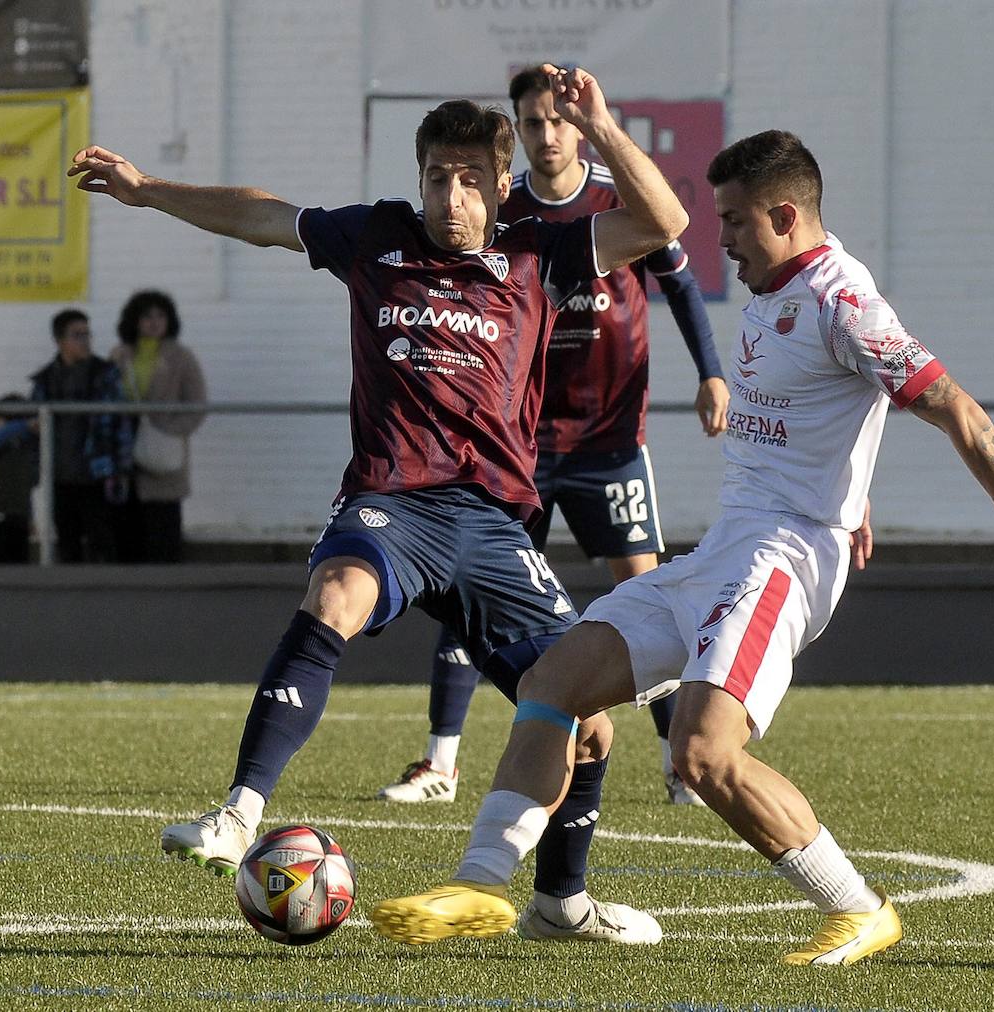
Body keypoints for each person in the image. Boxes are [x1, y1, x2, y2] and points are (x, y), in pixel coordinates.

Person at [372, 129, 994, 961]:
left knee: (701, 752)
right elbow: (831, 412)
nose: (720, 243)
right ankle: (478, 885)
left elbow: (958, 411)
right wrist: (855, 492)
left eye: (734, 223)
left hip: (783, 562)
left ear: (786, 216)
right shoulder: (780, 286)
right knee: (555, 678)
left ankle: (860, 907)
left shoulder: (841, 301)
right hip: (728, 548)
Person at [69, 63, 689, 944]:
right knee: (333, 599)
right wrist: (145, 190)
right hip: (390, 502)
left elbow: (666, 223)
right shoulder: (377, 237)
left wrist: (605, 125)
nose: (451, 194)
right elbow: (259, 215)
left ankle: (562, 903)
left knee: (588, 724)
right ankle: (239, 816)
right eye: (438, 175)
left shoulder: (539, 252)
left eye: (471, 178)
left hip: (487, 521)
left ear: (501, 185)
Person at [377, 67, 728, 810]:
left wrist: (712, 373)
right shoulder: (502, 206)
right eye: (531, 123)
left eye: (556, 122)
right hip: (522, 445)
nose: (546, 136)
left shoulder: (612, 198)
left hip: (609, 438)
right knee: (469, 589)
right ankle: (441, 760)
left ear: (578, 124)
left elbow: (682, 278)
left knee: (645, 592)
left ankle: (675, 762)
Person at [110, 290, 207, 563]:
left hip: (163, 451)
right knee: (129, 529)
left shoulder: (181, 357)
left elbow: (197, 403)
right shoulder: (121, 355)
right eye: (147, 316)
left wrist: (170, 430)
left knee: (163, 525)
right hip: (126, 451)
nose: (154, 322)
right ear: (134, 320)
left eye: (160, 316)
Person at [29, 309, 133, 563]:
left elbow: (123, 423)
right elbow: (33, 424)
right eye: (77, 335)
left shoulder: (105, 375)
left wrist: (122, 467)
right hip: (60, 474)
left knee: (103, 540)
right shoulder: (45, 380)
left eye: (88, 334)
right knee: (67, 541)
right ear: (59, 340)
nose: (85, 341)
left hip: (97, 473)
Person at [0, 394, 39, 564]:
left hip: (20, 515)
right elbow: (0, 437)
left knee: (20, 564)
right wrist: (27, 425)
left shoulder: (28, 448)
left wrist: (31, 517)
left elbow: (29, 485)